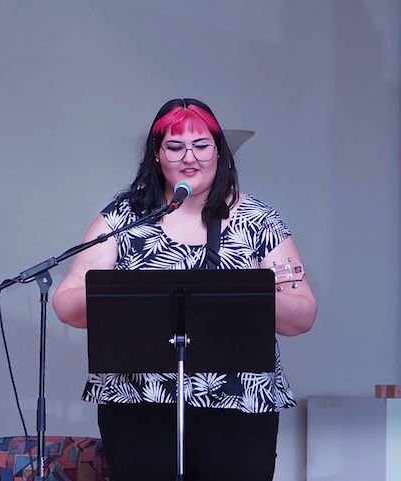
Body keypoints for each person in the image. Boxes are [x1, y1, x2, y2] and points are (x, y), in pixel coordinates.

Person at [52, 98, 317, 481]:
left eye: (201, 145)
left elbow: (302, 314)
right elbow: (67, 303)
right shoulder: (123, 217)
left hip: (238, 404)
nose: (189, 157)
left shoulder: (258, 219)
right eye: (174, 147)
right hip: (139, 403)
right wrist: (126, 298)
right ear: (157, 156)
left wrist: (244, 297)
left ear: (219, 152)